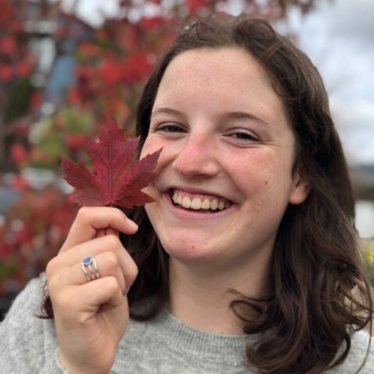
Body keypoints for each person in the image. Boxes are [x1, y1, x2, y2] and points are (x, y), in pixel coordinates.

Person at [0, 16, 373, 374]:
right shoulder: (53, 313)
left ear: (300, 176)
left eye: (241, 134)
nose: (192, 161)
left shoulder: (355, 366)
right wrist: (78, 368)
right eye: (172, 126)